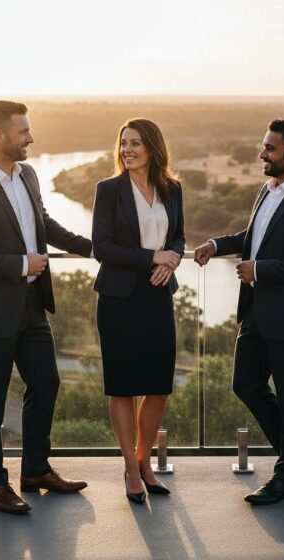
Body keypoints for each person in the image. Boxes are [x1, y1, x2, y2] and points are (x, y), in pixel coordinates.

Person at [0, 100, 92, 515]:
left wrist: (99, 248)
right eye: (23, 131)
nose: (31, 137)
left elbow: (45, 224)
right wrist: (18, 264)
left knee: (46, 383)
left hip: (32, 304)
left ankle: (35, 470)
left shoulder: (27, 173)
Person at [194, 119, 284, 505]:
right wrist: (214, 244)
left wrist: (261, 270)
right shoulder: (266, 190)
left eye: (269, 148)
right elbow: (252, 237)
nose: (262, 153)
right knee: (245, 384)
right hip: (255, 311)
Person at [92, 118, 184, 505]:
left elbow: (178, 234)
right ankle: (131, 467)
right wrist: (152, 258)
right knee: (123, 387)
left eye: (136, 143)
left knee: (158, 386)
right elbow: (103, 247)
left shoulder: (172, 188)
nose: (127, 150)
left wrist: (173, 257)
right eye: (123, 143)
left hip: (158, 297)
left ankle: (145, 460)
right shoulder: (109, 190)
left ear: (152, 148)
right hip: (119, 300)